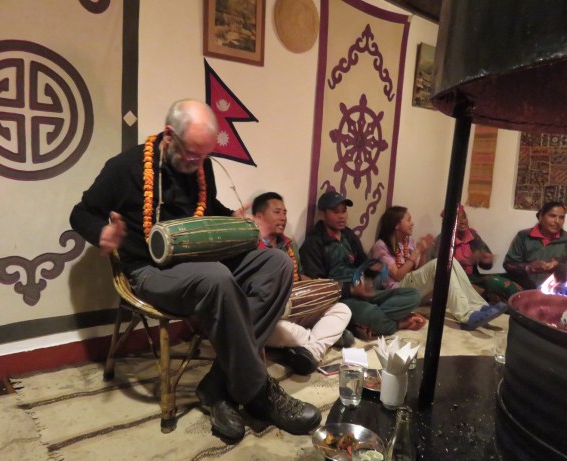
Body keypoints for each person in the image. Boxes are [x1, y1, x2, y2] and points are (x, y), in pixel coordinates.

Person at [69, 99, 320, 441]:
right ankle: (259, 392)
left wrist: (234, 219)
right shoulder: (125, 167)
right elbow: (81, 212)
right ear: (169, 135)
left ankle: (217, 386)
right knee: (217, 277)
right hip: (150, 271)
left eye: (204, 156)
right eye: (191, 154)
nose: (198, 163)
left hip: (202, 260)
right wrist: (102, 233)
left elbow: (207, 208)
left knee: (276, 263)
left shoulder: (202, 168)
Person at [252, 192, 355, 375]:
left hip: (298, 311)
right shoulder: (251, 247)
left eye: (285, 213)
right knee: (274, 329)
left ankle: (308, 349)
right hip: (271, 316)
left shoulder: (289, 246)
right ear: (258, 216)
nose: (283, 217)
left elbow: (300, 277)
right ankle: (318, 342)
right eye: (277, 212)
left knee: (342, 309)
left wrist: (321, 289)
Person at [299, 191, 425, 341]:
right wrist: (351, 290)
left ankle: (361, 322)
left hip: (362, 290)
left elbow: (363, 263)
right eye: (336, 212)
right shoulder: (313, 243)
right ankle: (396, 323)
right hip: (341, 298)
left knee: (413, 295)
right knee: (371, 314)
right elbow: (319, 288)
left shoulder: (348, 235)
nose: (342, 216)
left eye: (344, 211)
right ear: (322, 214)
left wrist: (373, 270)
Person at [371, 206, 508, 331]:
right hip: (398, 292)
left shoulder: (409, 242)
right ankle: (466, 316)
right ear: (396, 224)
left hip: (415, 290)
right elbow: (397, 276)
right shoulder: (380, 246)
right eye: (408, 220)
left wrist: (423, 252)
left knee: (450, 261)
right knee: (440, 263)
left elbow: (420, 272)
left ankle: (480, 307)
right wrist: (417, 251)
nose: (412, 223)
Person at [430, 205, 521, 303]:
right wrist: (466, 261)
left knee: (507, 283)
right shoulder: (442, 241)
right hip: (453, 281)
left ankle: (519, 305)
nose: (462, 221)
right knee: (492, 290)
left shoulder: (473, 236)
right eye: (457, 219)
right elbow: (438, 270)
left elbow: (486, 266)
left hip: (473, 278)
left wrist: (485, 261)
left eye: (464, 217)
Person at [503, 201, 567, 289]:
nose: (557, 221)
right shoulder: (523, 236)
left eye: (561, 217)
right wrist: (529, 267)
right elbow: (508, 265)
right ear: (540, 217)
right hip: (523, 288)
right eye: (552, 216)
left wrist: (557, 266)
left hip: (555, 290)